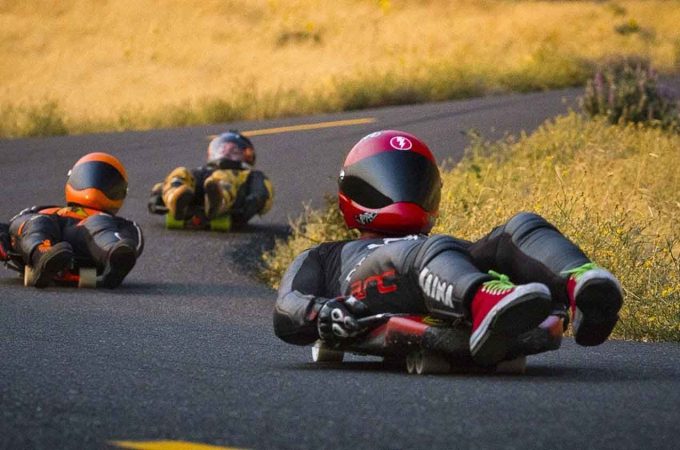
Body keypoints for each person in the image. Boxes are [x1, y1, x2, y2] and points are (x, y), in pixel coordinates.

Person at [273, 130, 623, 366]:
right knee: (428, 251)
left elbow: (443, 252)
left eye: (413, 180)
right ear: (355, 192)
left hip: (440, 268)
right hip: (372, 289)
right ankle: (488, 302)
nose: (401, 190)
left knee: (520, 227)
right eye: (385, 179)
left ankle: (582, 285)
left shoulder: (438, 248)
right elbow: (287, 308)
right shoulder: (326, 256)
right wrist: (322, 314)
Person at [0, 152, 143, 288]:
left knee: (100, 225)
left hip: (85, 240)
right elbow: (11, 227)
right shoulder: (40, 210)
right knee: (38, 222)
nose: (94, 185)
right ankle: (43, 255)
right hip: (47, 237)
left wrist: (122, 251)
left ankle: (113, 256)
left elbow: (131, 243)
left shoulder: (115, 222)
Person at [148, 130, 273, 227]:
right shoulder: (202, 171)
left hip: (234, 202)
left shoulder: (250, 175)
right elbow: (160, 187)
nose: (227, 154)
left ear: (246, 155)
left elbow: (264, 194)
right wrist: (157, 193)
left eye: (234, 151)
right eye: (224, 149)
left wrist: (253, 204)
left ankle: (218, 202)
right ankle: (174, 200)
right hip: (198, 195)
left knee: (221, 177)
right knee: (181, 172)